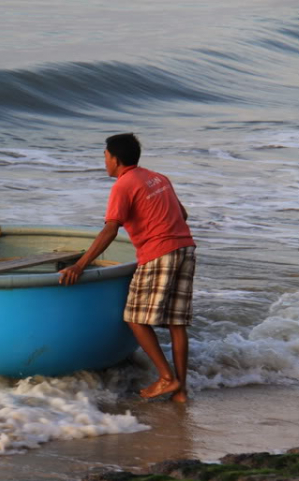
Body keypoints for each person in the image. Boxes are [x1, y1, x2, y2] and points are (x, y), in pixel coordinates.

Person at [59, 133, 196, 403]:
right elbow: (183, 215)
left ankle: (167, 379)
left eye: (106, 156)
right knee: (177, 323)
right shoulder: (158, 178)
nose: (105, 161)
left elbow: (111, 229)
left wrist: (80, 265)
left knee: (134, 318)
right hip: (186, 249)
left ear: (116, 159)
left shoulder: (123, 185)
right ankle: (180, 391)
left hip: (159, 253)